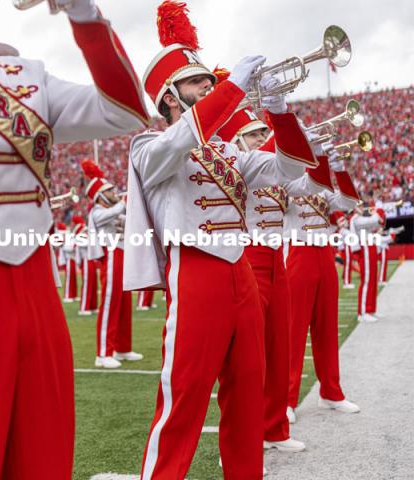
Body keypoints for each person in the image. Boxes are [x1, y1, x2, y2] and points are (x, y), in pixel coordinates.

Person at [0, 0, 149, 478]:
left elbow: (125, 113)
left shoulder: (25, 73)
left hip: (35, 282)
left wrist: (85, 16)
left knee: (43, 447)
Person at [123, 2, 318, 477]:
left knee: (248, 396)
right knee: (183, 402)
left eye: (210, 82)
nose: (208, 88)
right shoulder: (149, 146)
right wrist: (231, 89)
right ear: (171, 95)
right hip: (195, 272)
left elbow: (291, 168)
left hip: (241, 274)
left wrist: (278, 109)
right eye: (197, 83)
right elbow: (180, 142)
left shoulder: (229, 150)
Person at [218, 106, 335, 454]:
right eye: (254, 133)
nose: (261, 139)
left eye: (261, 133)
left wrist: (315, 152)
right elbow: (263, 164)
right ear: (239, 138)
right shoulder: (237, 162)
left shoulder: (268, 164)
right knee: (249, 356)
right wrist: (281, 131)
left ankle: (275, 428)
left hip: (276, 257)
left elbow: (313, 183)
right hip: (248, 256)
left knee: (279, 344)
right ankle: (244, 441)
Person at [284, 150, 361, 423]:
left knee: (326, 326)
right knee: (293, 330)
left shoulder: (321, 189)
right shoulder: (285, 179)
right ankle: (286, 399)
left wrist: (339, 170)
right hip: (299, 252)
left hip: (324, 254)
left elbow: (350, 202)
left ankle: (331, 391)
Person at [82, 160, 143, 368]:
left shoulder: (116, 208)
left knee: (124, 302)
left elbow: (130, 220)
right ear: (100, 195)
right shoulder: (97, 211)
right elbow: (113, 214)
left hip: (123, 254)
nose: (114, 192)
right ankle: (102, 353)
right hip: (111, 255)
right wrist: (124, 202)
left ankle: (122, 347)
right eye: (109, 190)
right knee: (110, 303)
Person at [350, 203, 384, 322]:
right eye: (359, 206)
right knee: (366, 280)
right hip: (365, 249)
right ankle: (362, 312)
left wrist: (376, 215)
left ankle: (370, 309)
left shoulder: (362, 218)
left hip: (370, 247)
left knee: (372, 280)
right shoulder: (356, 219)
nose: (362, 209)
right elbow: (376, 220)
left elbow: (379, 222)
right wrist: (376, 211)